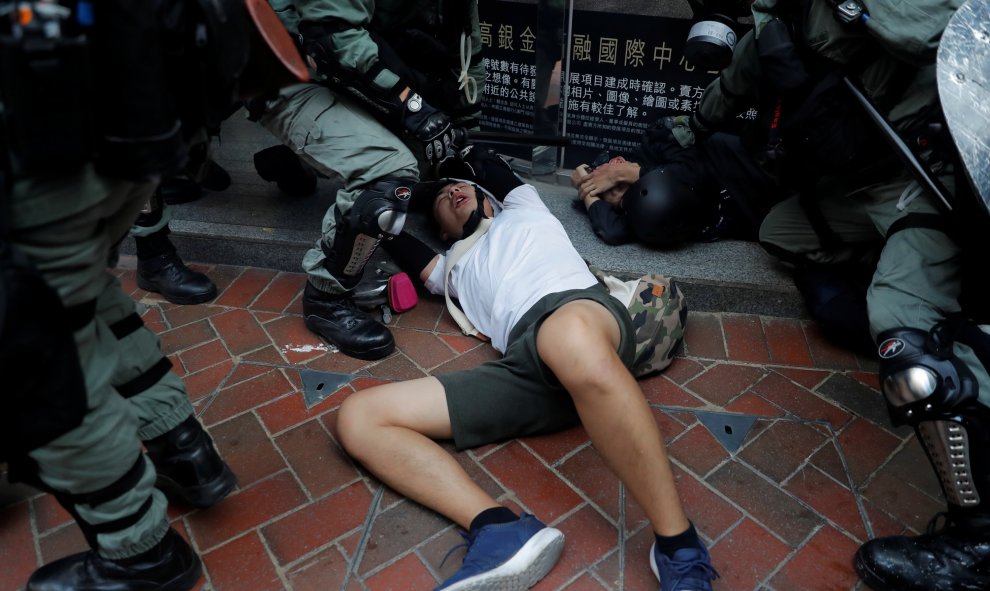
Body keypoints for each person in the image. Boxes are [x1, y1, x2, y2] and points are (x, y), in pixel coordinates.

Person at [0, 0, 307, 588]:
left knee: (44, 356)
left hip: (50, 137)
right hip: (137, 105)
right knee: (84, 294)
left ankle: (139, 553)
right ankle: (184, 450)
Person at [689, 0, 990, 588]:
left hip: (920, 178)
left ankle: (977, 539)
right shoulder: (778, 21)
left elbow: (952, 29)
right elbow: (729, 87)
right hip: (855, 190)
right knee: (782, 232)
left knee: (905, 339)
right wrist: (675, 139)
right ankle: (897, 275)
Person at [336, 146, 718, 591]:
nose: (454, 193)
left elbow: (486, 166)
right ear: (440, 228)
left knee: (569, 338)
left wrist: (446, 148)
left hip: (580, 316)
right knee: (359, 418)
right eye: (443, 200)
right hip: (525, 366)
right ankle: (498, 529)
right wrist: (372, 206)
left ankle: (677, 544)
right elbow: (390, 232)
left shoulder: (523, 208)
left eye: (460, 187)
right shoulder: (450, 270)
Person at [249, 0, 483, 360]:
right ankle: (327, 297)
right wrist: (413, 107)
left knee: (431, 158)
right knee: (389, 178)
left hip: (352, 79)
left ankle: (297, 158)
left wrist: (463, 143)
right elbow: (332, 37)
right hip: (288, 71)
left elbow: (468, 59)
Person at [569, 116, 784, 247]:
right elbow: (612, 231)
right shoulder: (640, 206)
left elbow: (692, 173)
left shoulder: (660, 139)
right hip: (765, 225)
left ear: (618, 161)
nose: (621, 196)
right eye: (612, 199)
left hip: (772, 180)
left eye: (616, 186)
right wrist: (587, 191)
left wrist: (625, 173)